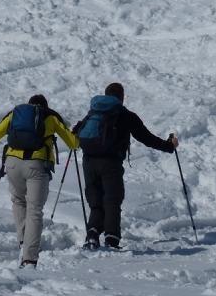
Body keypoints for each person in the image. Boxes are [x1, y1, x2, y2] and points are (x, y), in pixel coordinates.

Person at [0, 95, 79, 268]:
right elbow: (73, 144)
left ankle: (24, 241)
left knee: (18, 201)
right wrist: (76, 133)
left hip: (12, 164)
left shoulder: (13, 116)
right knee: (34, 209)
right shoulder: (50, 117)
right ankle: (29, 259)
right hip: (36, 166)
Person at [77, 83, 179, 249]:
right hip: (110, 163)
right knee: (112, 199)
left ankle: (92, 234)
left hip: (89, 162)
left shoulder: (93, 112)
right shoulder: (124, 115)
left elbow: (77, 132)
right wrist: (169, 146)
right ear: (122, 98)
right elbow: (146, 137)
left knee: (96, 201)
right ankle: (111, 238)